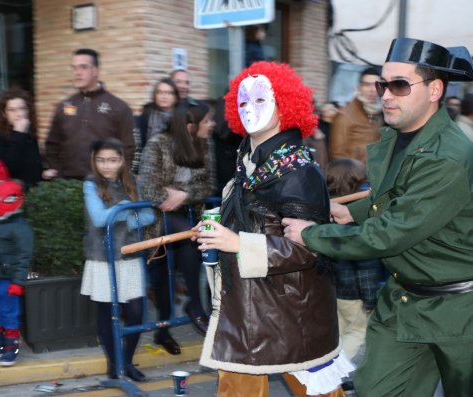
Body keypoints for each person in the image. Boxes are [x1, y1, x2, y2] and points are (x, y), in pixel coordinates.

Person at [282, 38, 473, 397]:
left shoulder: (446, 155)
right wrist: (348, 213)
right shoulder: (398, 138)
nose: (385, 94)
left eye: (399, 85)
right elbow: (395, 198)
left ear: (435, 90)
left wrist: (311, 235)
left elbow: (390, 233)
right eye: (383, 84)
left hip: (460, 313)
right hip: (404, 301)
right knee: (375, 390)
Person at [194, 61, 351, 397]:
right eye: (243, 103)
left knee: (318, 392)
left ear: (285, 105)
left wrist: (235, 242)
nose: (250, 109)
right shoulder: (248, 160)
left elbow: (309, 247)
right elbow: (254, 219)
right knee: (236, 386)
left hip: (289, 310)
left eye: (261, 101)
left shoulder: (298, 170)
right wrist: (218, 230)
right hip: (249, 305)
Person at [138, 103, 216, 356]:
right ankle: (183, 315)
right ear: (191, 127)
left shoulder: (204, 145)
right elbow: (148, 187)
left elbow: (208, 185)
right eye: (207, 121)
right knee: (163, 274)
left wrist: (184, 195)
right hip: (155, 217)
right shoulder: (158, 144)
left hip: (185, 214)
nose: (211, 125)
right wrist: (168, 196)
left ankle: (185, 312)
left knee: (186, 248)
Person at [80, 138, 155, 381]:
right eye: (101, 160)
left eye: (112, 160)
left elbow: (148, 215)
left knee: (135, 312)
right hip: (102, 257)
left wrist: (127, 219)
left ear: (122, 160)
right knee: (107, 312)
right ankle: (115, 364)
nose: (106, 166)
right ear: (94, 161)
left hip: (130, 253)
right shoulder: (91, 184)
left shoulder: (131, 181)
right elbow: (100, 219)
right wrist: (124, 206)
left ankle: (126, 362)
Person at [325, 159, 385, 367]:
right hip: (353, 292)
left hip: (332, 288)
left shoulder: (325, 211)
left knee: (339, 332)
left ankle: (328, 373)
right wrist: (370, 299)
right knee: (358, 331)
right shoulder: (359, 218)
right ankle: (337, 371)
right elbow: (365, 265)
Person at [44, 48, 135, 180]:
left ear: (96, 71)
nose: (77, 73)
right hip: (68, 184)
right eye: (74, 68)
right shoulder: (64, 106)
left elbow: (129, 148)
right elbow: (52, 145)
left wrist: (118, 178)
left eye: (83, 67)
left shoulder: (118, 107)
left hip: (106, 184)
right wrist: (58, 174)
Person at [0, 180, 33, 367]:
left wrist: (18, 282)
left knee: (10, 314)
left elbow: (24, 256)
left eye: (7, 198)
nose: (1, 202)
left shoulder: (21, 227)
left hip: (8, 280)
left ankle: (11, 349)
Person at [329, 67, 383, 165]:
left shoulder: (380, 113)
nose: (372, 90)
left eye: (376, 85)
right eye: (367, 85)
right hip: (354, 177)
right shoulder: (344, 115)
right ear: (359, 87)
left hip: (375, 175)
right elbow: (337, 155)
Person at [0, 89, 43, 189]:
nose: (19, 114)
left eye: (22, 108)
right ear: (4, 114)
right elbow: (8, 167)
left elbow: (33, 165)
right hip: (10, 195)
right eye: (12, 110)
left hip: (33, 193)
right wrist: (18, 133)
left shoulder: (29, 131)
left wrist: (44, 172)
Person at [137, 78, 180, 149]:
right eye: (160, 92)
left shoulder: (182, 117)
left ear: (175, 97)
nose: (164, 97)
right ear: (155, 96)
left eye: (168, 93)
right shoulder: (145, 116)